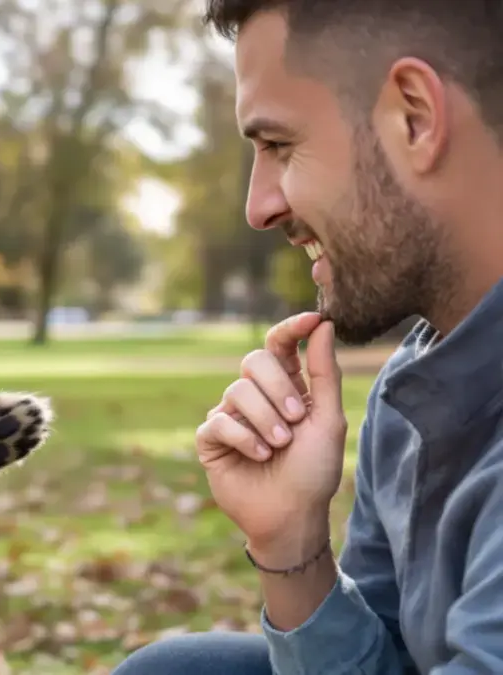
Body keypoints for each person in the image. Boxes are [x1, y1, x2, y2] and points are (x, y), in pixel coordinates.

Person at [115, 1, 503, 674]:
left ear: (414, 117)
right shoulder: (409, 395)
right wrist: (291, 542)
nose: (259, 206)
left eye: (279, 146)